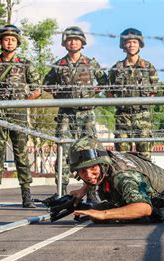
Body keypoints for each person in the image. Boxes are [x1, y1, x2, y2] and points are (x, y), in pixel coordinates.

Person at [43, 26, 107, 200]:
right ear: (65, 43)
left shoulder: (90, 63)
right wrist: (60, 95)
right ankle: (61, 191)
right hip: (66, 113)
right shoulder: (59, 65)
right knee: (62, 149)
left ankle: (92, 192)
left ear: (82, 42)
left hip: (86, 113)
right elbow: (46, 84)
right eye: (70, 40)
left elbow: (104, 81)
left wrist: (90, 93)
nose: (73, 42)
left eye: (76, 40)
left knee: (91, 153)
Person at [0, 24, 41, 208]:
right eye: (6, 39)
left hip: (18, 114)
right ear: (0, 41)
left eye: (13, 39)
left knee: (21, 154)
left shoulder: (25, 64)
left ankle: (26, 195)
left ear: (18, 42)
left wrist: (23, 102)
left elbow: (37, 89)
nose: (9, 42)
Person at [68, 137, 164, 223]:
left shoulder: (123, 178)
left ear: (102, 164)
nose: (89, 175)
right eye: (82, 171)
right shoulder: (106, 158)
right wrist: (83, 190)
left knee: (99, 214)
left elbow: (144, 208)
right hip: (149, 186)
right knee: (97, 210)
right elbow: (94, 173)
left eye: (93, 168)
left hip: (159, 203)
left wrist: (104, 214)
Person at [107, 28, 159, 159]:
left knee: (145, 154)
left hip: (143, 116)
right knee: (123, 155)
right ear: (123, 45)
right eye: (128, 42)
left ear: (140, 44)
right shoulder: (117, 68)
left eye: (135, 42)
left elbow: (154, 90)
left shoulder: (148, 67)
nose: (131, 45)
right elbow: (109, 92)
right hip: (123, 115)